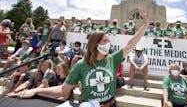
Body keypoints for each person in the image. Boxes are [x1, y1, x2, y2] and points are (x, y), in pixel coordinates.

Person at [10, 9, 149, 107]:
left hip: (111, 104)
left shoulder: (112, 59)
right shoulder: (81, 65)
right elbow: (63, 89)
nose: (108, 45)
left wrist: (145, 26)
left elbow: (131, 43)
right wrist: (35, 90)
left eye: (109, 41)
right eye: (104, 41)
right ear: (95, 44)